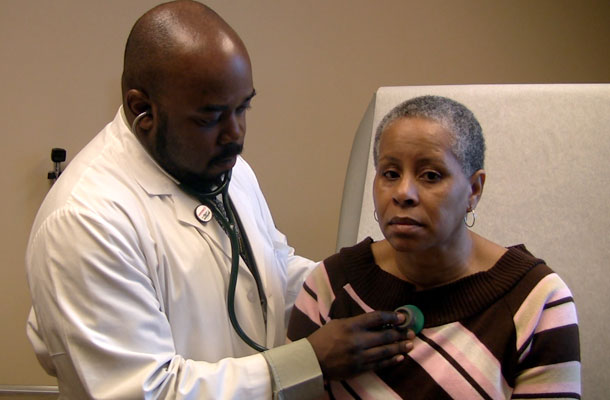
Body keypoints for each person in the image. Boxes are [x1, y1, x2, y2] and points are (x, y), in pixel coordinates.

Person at [25, 1, 415, 398]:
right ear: (143, 110)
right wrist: (308, 361)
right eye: (210, 117)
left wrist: (358, 285)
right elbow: (147, 391)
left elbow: (272, 270)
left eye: (243, 108)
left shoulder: (223, 167)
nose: (236, 135)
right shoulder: (84, 221)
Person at [287, 95, 581, 399]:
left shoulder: (536, 302)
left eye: (430, 176)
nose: (403, 193)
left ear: (474, 189)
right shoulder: (330, 286)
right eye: (390, 174)